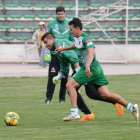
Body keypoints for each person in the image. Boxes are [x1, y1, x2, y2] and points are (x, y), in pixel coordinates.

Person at [55, 18, 139, 121]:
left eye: (71, 29)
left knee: (69, 85)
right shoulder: (78, 38)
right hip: (97, 69)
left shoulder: (85, 38)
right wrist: (63, 49)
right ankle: (131, 106)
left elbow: (91, 50)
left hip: (91, 69)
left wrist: (87, 66)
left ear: (77, 28)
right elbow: (76, 45)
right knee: (105, 94)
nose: (70, 31)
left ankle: (74, 112)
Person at [42, 32, 124, 122]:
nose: (45, 45)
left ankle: (87, 112)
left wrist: (77, 71)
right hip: (80, 68)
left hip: (83, 68)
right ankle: (89, 113)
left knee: (83, 91)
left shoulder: (59, 44)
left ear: (52, 39)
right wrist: (59, 76)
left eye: (46, 42)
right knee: (87, 93)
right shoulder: (56, 48)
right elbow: (64, 65)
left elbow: (73, 57)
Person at [45, 6, 74, 104]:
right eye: (59, 14)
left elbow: (72, 38)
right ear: (56, 14)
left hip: (65, 54)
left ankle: (62, 99)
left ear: (65, 14)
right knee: (52, 76)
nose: (60, 16)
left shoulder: (69, 24)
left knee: (64, 77)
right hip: (54, 54)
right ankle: (48, 98)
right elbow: (47, 38)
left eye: (62, 14)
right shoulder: (51, 24)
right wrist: (47, 52)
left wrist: (71, 51)